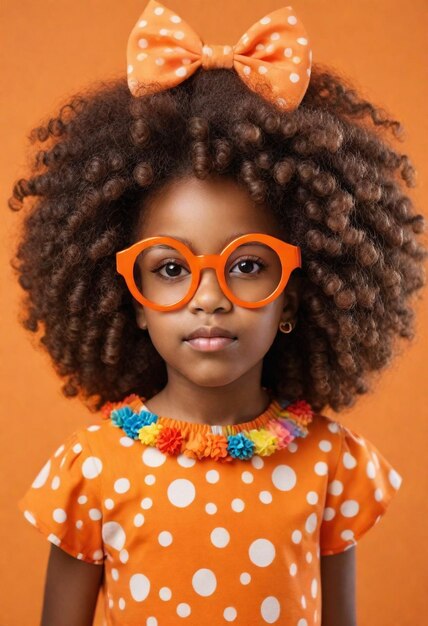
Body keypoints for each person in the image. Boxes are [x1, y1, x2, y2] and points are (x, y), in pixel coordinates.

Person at [12, 1, 426, 625]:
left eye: (248, 265)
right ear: (132, 299)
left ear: (293, 293)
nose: (210, 298)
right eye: (171, 269)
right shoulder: (91, 471)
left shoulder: (331, 463)